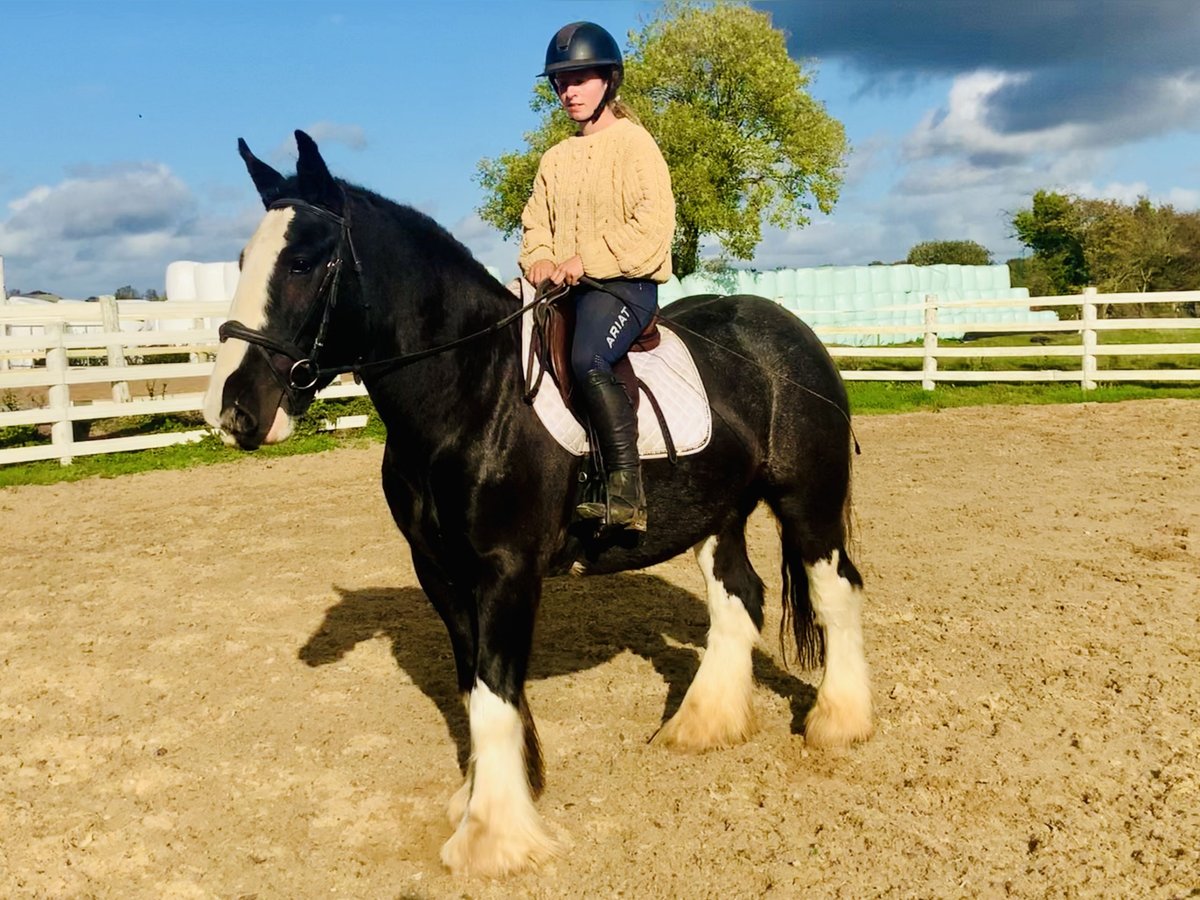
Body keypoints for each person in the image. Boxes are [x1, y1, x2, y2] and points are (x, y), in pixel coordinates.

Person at [518, 21, 676, 533]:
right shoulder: (554, 159)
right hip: (563, 288)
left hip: (623, 286)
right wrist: (540, 257)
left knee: (587, 357)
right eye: (561, 81)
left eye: (579, 78)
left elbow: (652, 227)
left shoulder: (635, 145)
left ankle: (626, 491)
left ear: (608, 80)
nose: (568, 90)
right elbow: (535, 224)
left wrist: (584, 259)